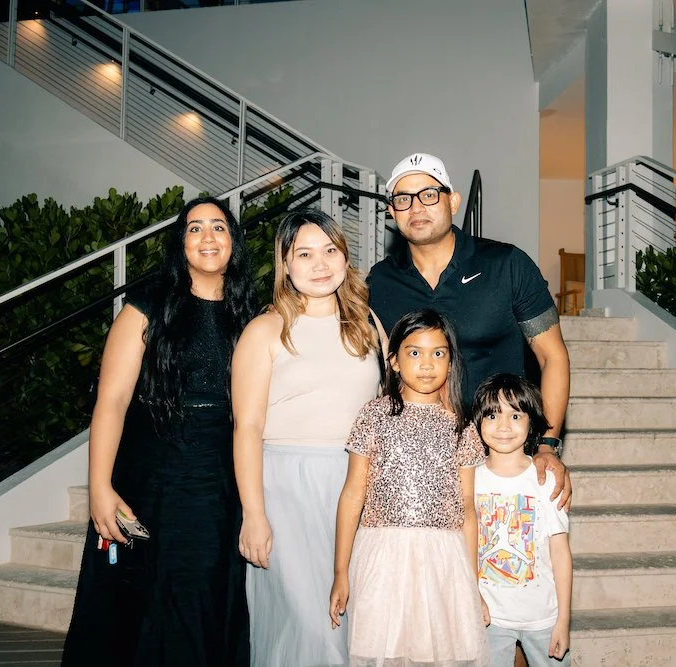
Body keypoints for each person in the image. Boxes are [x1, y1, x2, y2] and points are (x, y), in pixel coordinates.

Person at [62, 196, 258, 666]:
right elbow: (111, 402)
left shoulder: (252, 313)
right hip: (151, 477)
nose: (207, 237)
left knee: (204, 596)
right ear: (180, 243)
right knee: (142, 600)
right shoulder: (147, 306)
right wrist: (99, 488)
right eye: (195, 228)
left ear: (233, 240)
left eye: (218, 227)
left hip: (218, 483)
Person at [367, 152, 572, 509]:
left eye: (428, 194)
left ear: (453, 201)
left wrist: (548, 444)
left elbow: (551, 356)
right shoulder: (381, 281)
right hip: (419, 459)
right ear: (391, 211)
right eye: (403, 199)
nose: (416, 207)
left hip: (502, 453)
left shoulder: (507, 264)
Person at [232, 209, 382, 666]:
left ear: (345, 257)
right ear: (286, 264)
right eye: (305, 254)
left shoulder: (367, 324)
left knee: (354, 617)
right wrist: (253, 514)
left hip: (357, 482)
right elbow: (247, 428)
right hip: (287, 487)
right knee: (305, 623)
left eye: (330, 250)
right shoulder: (265, 329)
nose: (320, 264)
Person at [329, 308, 490, 666]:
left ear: (451, 362)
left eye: (439, 353)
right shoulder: (373, 416)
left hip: (443, 561)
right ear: (394, 361)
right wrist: (340, 572)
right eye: (414, 352)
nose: (427, 363)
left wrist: (472, 584)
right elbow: (353, 494)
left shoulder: (462, 427)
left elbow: (467, 508)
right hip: (384, 557)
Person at [472, 373, 572, 667]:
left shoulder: (545, 480)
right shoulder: (470, 480)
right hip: (489, 618)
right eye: (492, 415)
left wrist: (564, 620)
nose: (503, 425)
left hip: (543, 618)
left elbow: (560, 553)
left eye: (515, 416)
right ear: (478, 421)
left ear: (531, 424)